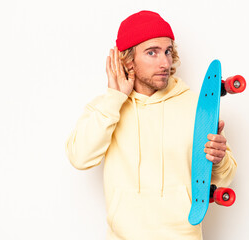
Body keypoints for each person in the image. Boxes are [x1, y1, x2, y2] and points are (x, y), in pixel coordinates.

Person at [65, 10, 237, 240]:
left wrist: (219, 158)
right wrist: (115, 98)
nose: (165, 62)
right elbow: (80, 157)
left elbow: (225, 176)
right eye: (152, 53)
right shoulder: (107, 107)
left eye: (167, 51)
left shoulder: (197, 105)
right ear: (127, 59)